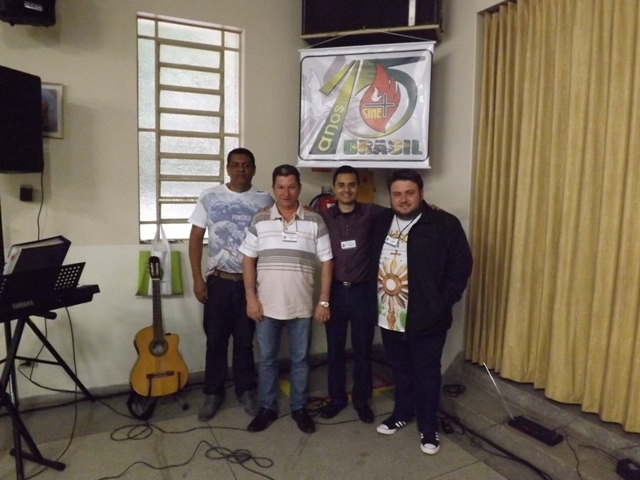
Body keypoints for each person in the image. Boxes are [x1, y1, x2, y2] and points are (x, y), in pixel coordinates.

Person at [370, 169, 472, 455]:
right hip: (390, 315)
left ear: (421, 193)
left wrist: (441, 302)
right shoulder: (380, 222)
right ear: (390, 196)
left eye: (409, 193)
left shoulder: (444, 224)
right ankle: (402, 413)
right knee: (400, 369)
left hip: (428, 318)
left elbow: (461, 266)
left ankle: (428, 426)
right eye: (397, 194)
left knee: (427, 373)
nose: (403, 200)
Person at [240, 164, 333, 434]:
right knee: (267, 359)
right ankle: (268, 407)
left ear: (299, 188)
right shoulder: (260, 219)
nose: (286, 192)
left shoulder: (315, 221)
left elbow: (327, 261)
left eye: (292, 186)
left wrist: (324, 301)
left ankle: (299, 408)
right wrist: (250, 298)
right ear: (273, 189)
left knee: (300, 360)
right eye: (280, 187)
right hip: (265, 305)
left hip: (301, 306)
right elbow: (248, 259)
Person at [188, 148, 274, 422]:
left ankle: (246, 390)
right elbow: (195, 238)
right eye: (235, 165)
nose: (241, 169)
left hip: (250, 285)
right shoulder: (209, 196)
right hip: (219, 282)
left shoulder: (265, 200)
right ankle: (213, 393)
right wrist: (197, 278)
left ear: (253, 169)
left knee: (245, 341)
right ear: (227, 168)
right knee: (215, 341)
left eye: (246, 165)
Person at [318, 165, 386, 424]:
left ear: (358, 187)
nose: (346, 190)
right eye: (341, 185)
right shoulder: (324, 216)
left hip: (362, 293)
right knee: (334, 350)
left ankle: (361, 400)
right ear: (334, 188)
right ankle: (336, 398)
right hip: (335, 291)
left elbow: (403, 210)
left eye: (351, 185)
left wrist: (429, 207)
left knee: (362, 350)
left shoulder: (372, 212)